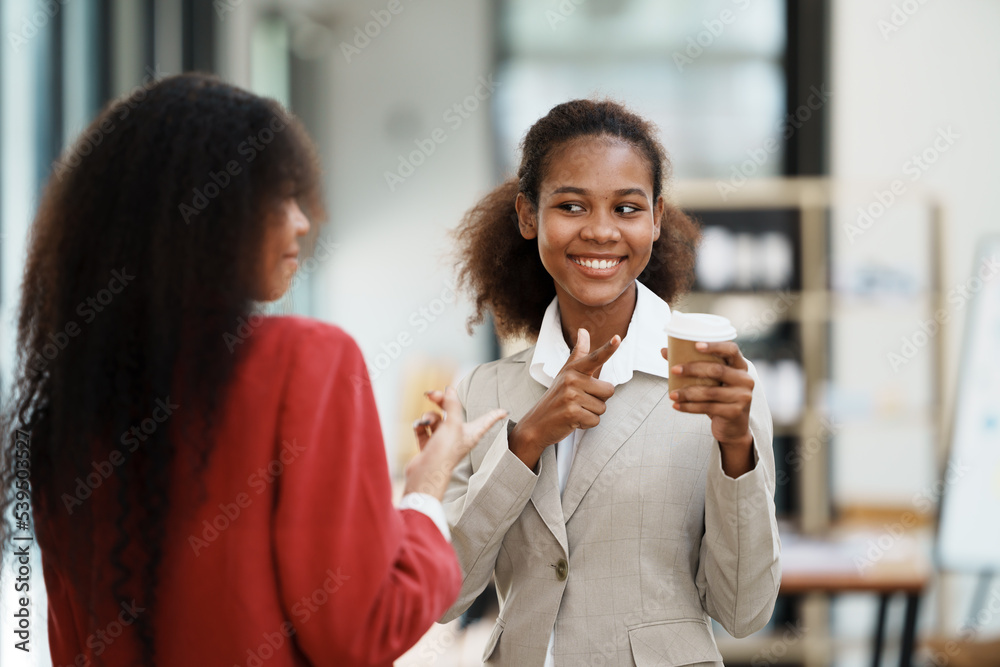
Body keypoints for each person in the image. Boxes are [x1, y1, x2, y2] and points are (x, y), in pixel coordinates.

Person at [0, 73, 505, 667]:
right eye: (279, 197)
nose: (301, 221)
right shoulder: (304, 358)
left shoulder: (70, 408)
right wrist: (425, 489)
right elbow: (361, 631)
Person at [426, 99, 781, 666]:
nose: (600, 230)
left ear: (656, 218)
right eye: (570, 205)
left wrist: (736, 449)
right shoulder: (483, 394)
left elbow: (743, 613)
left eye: (626, 207)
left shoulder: (717, 387)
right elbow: (440, 597)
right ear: (527, 215)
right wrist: (525, 443)